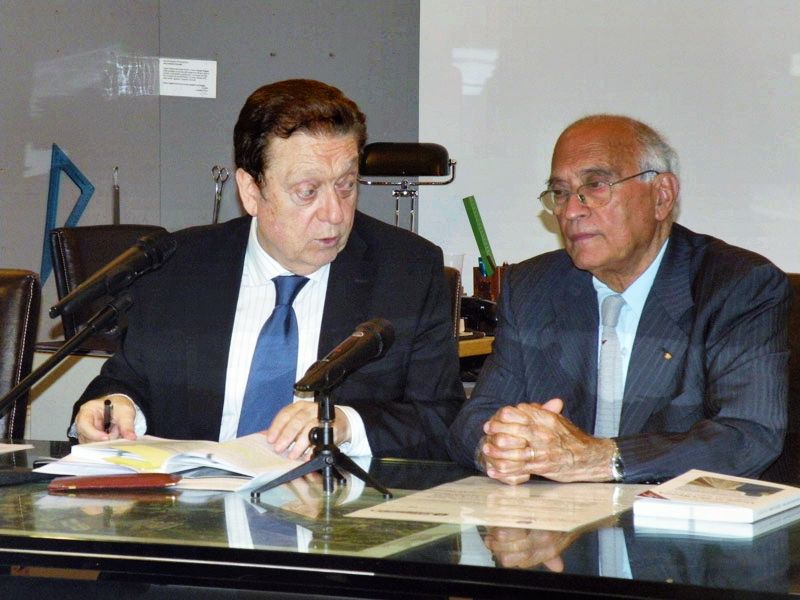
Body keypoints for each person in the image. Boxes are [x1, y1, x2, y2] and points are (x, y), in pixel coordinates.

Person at [72, 79, 464, 460]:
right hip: (197, 496)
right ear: (251, 191)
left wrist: (347, 425)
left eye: (346, 185)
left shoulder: (407, 272)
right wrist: (115, 407)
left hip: (333, 499)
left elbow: (442, 419)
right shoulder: (178, 267)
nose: (335, 213)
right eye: (307, 191)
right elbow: (126, 381)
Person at [449, 114, 790, 483]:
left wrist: (601, 458)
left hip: (676, 515)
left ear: (662, 195)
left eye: (595, 186)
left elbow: (747, 436)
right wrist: (500, 445)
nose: (571, 211)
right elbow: (476, 418)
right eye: (560, 193)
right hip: (558, 514)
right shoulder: (534, 287)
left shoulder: (737, 286)